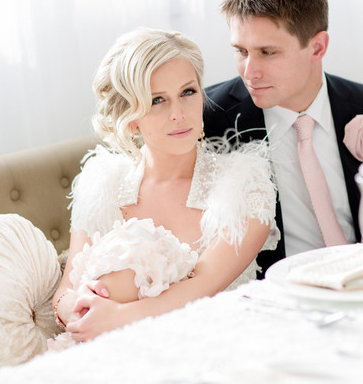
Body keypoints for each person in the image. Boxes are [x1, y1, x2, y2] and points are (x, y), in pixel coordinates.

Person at [52, 27, 279, 343]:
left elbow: (204, 284)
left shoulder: (243, 185)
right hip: (103, 348)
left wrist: (118, 318)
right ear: (130, 117)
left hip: (215, 347)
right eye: (157, 100)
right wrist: (79, 312)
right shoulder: (102, 183)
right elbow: (67, 289)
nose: (178, 114)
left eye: (188, 92)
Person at [203, 0, 363, 275]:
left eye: (268, 52)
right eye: (241, 51)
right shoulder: (211, 117)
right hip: (272, 299)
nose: (250, 71)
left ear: (317, 47)